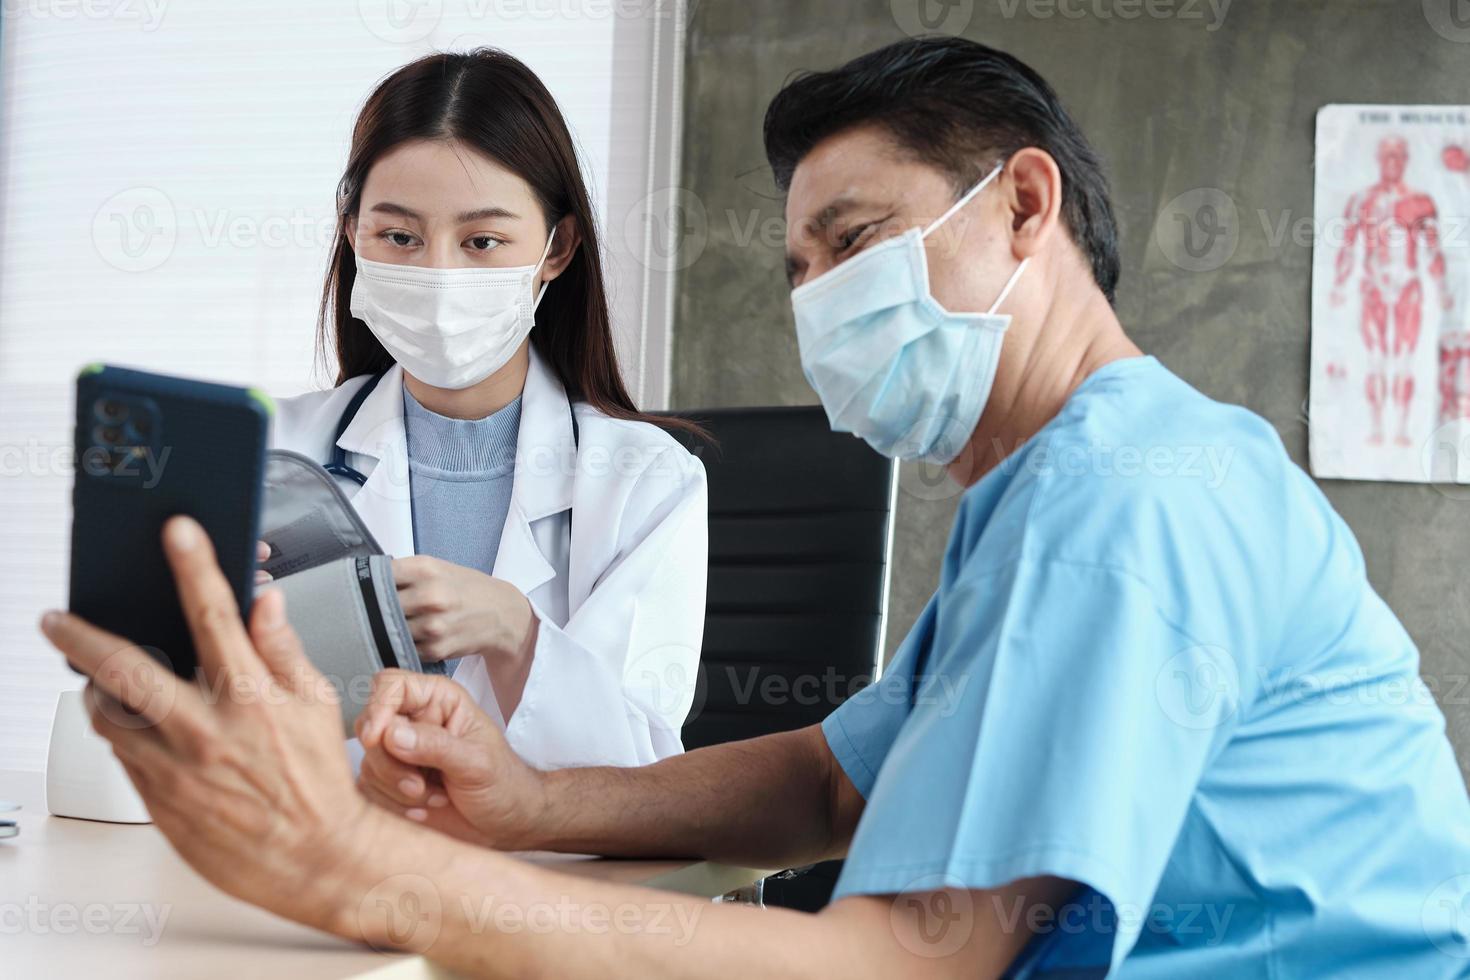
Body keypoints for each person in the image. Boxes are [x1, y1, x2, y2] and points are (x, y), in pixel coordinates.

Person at [45, 37, 1470, 978]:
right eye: (799, 268)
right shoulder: (1043, 489)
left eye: (854, 242)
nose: (821, 300)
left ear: (1024, 208)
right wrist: (531, 798)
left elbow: (913, 956)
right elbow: (836, 782)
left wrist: (371, 877)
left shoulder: (1127, 499)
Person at [270, 49, 709, 769]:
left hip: (538, 879)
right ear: (353, 233)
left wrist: (516, 633)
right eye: (400, 237)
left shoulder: (647, 483)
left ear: (557, 248)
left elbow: (637, 772)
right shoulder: (277, 453)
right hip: (324, 870)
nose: (438, 273)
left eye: (482, 241)